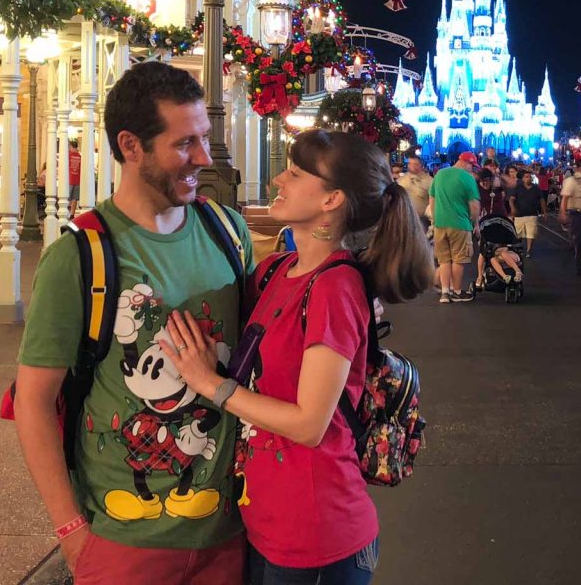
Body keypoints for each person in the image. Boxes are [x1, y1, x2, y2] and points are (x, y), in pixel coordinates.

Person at [14, 62, 254, 583]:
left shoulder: (229, 233)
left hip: (230, 534)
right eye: (184, 143)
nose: (203, 158)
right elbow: (32, 401)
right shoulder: (80, 257)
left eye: (205, 139)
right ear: (131, 146)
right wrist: (72, 531)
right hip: (123, 543)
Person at [165, 129, 431, 585]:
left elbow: (310, 424)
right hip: (264, 520)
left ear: (332, 199)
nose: (276, 181)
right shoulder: (275, 271)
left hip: (317, 535)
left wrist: (210, 384)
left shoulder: (334, 286)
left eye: (294, 172)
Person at [430, 151, 481, 303]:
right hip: (460, 224)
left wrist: (435, 218)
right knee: (459, 259)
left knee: (444, 260)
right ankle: (457, 291)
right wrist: (475, 222)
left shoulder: (439, 174)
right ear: (467, 163)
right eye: (473, 166)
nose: (473, 169)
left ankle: (445, 293)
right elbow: (474, 205)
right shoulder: (468, 178)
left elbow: (432, 198)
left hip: (440, 223)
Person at [510, 170, 546, 257]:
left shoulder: (536, 188)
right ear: (522, 179)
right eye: (526, 177)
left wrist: (544, 212)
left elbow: (541, 200)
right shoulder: (518, 187)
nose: (528, 178)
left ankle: (528, 250)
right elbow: (511, 199)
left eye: (530, 177)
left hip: (532, 214)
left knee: (531, 233)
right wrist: (513, 209)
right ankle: (519, 248)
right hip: (519, 214)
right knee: (519, 233)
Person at [397, 155, 433, 226]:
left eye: (415, 164)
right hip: (403, 219)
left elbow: (434, 200)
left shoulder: (429, 181)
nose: (412, 166)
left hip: (421, 221)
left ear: (421, 166)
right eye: (410, 163)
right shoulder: (401, 180)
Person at [68, 138, 82, 216]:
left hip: (70, 179)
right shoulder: (80, 156)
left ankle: (64, 212)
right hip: (78, 180)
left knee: (66, 197)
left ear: (72, 146)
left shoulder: (69, 155)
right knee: (75, 198)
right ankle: (72, 214)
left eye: (70, 146)